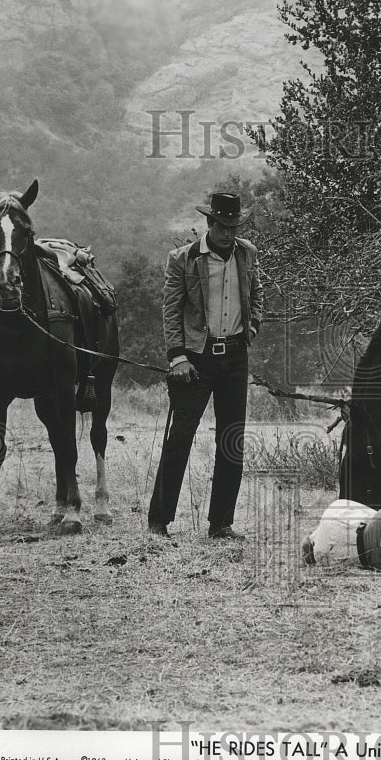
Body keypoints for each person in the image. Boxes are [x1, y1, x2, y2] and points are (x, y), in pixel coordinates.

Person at [147, 192, 263, 540]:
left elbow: (257, 293)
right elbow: (171, 309)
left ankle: (221, 524)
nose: (229, 233)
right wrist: (177, 356)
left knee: (231, 440)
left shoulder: (248, 253)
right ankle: (159, 522)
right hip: (195, 360)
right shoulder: (183, 259)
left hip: (235, 357)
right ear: (210, 223)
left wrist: (252, 327)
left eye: (234, 227)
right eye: (223, 226)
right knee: (180, 437)